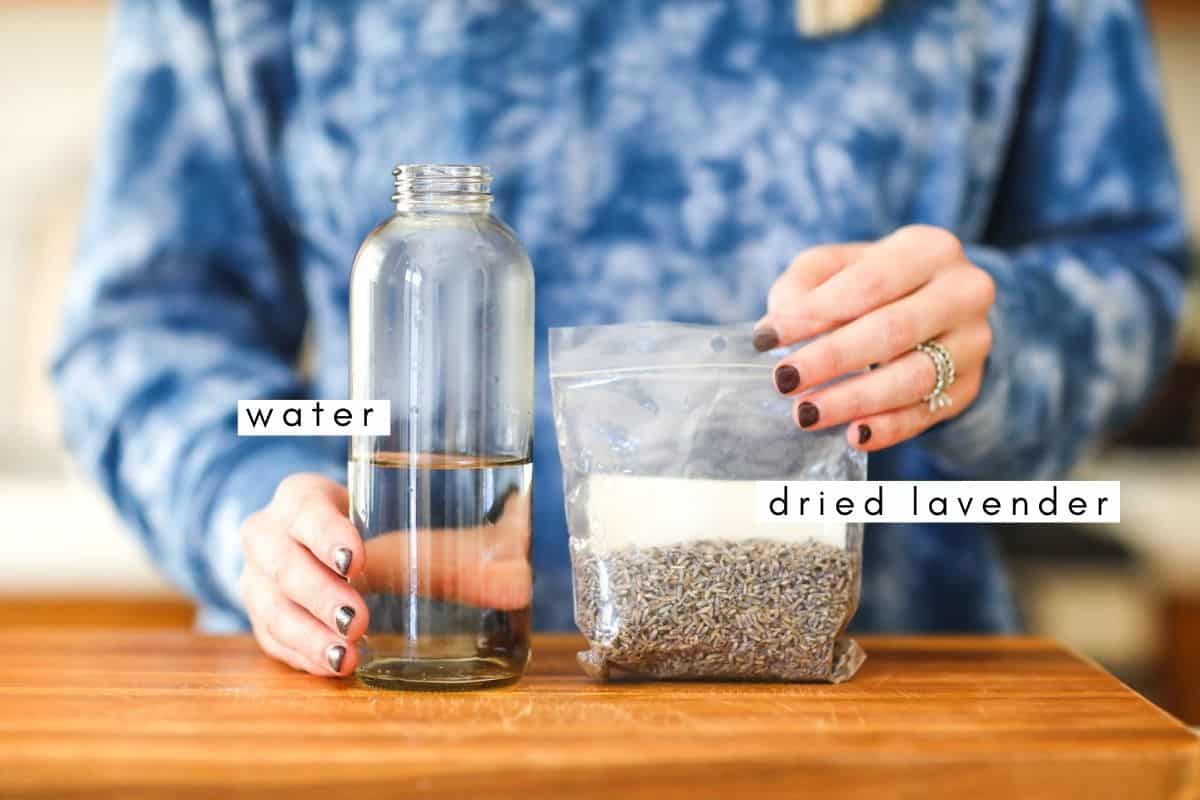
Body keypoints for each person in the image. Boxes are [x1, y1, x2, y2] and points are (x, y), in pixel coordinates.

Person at [54, 0, 1189, 677]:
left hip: (882, 707)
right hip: (386, 691)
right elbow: (145, 326)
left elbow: (1132, 272)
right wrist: (259, 497)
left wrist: (982, 342)